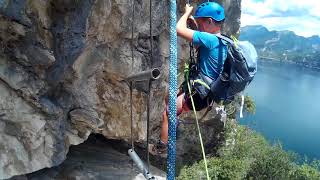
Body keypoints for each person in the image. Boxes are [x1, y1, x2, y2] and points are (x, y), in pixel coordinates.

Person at [150, 2, 228, 155]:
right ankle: (173, 123)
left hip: (198, 93)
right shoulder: (222, 41)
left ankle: (162, 147)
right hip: (202, 90)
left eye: (200, 23)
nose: (199, 26)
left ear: (210, 21)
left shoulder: (209, 40)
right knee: (168, 98)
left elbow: (178, 29)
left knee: (167, 112)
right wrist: (195, 26)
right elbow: (200, 45)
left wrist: (186, 13)